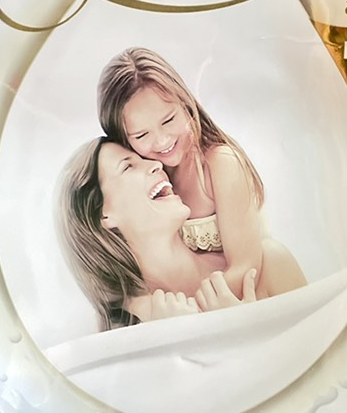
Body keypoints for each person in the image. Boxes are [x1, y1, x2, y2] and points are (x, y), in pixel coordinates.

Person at [59, 137, 304, 330]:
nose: (156, 164)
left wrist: (247, 329)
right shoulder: (127, 327)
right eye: (128, 166)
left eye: (144, 158)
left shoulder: (266, 266)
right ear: (103, 215)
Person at [97, 47, 280, 300]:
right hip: (210, 298)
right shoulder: (150, 181)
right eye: (142, 135)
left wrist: (187, 314)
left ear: (185, 104)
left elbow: (245, 268)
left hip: (261, 289)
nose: (162, 141)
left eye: (168, 120)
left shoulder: (218, 165)